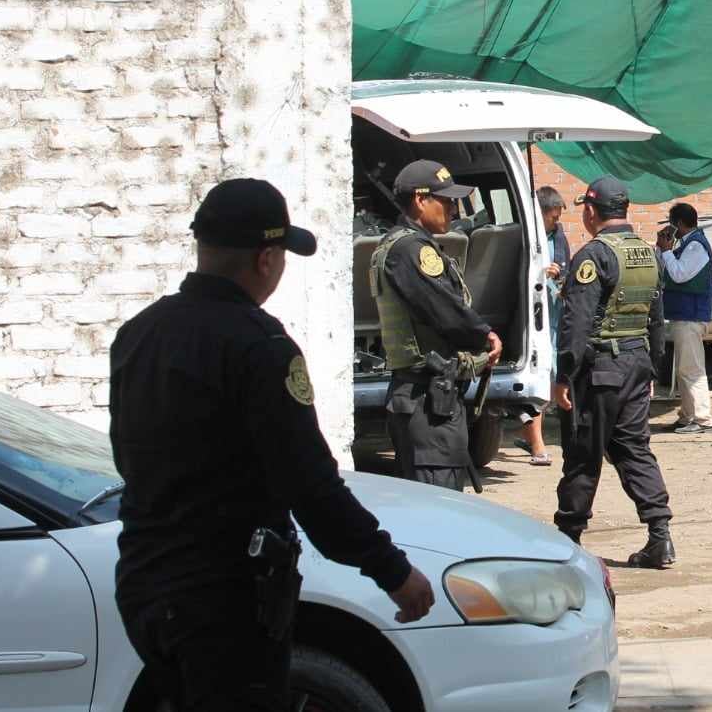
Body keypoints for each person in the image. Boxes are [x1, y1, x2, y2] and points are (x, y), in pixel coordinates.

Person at [110, 178, 435, 710]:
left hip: (146, 585)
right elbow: (308, 483)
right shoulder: (258, 345)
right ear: (265, 259)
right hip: (224, 596)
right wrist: (391, 570)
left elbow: (129, 456)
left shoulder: (141, 332)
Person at [553, 176, 676, 567]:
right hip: (637, 364)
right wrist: (652, 368)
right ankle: (661, 536)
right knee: (633, 449)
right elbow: (657, 317)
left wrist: (564, 376)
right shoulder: (648, 253)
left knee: (583, 452)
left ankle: (568, 540)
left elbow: (576, 323)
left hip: (600, 370)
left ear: (590, 211)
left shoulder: (592, 256)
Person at [373, 160, 502, 492]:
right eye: (445, 201)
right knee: (438, 504)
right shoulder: (410, 249)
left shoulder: (404, 244)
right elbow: (444, 308)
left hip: (426, 396)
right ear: (420, 200)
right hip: (427, 401)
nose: (454, 209)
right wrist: (484, 336)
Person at [522, 186, 570, 466]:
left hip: (554, 314)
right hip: (533, 316)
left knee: (555, 372)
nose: (557, 221)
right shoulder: (526, 235)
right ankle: (537, 444)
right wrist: (540, 271)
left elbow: (565, 265)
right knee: (538, 376)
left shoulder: (558, 235)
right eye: (553, 217)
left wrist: (559, 274)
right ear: (538, 214)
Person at [657, 202, 712, 434]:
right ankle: (687, 416)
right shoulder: (687, 244)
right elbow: (667, 271)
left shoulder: (696, 246)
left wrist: (668, 251)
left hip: (691, 316)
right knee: (683, 369)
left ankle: (702, 419)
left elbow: (679, 274)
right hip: (683, 315)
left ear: (679, 223)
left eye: (673, 224)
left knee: (692, 370)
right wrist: (662, 250)